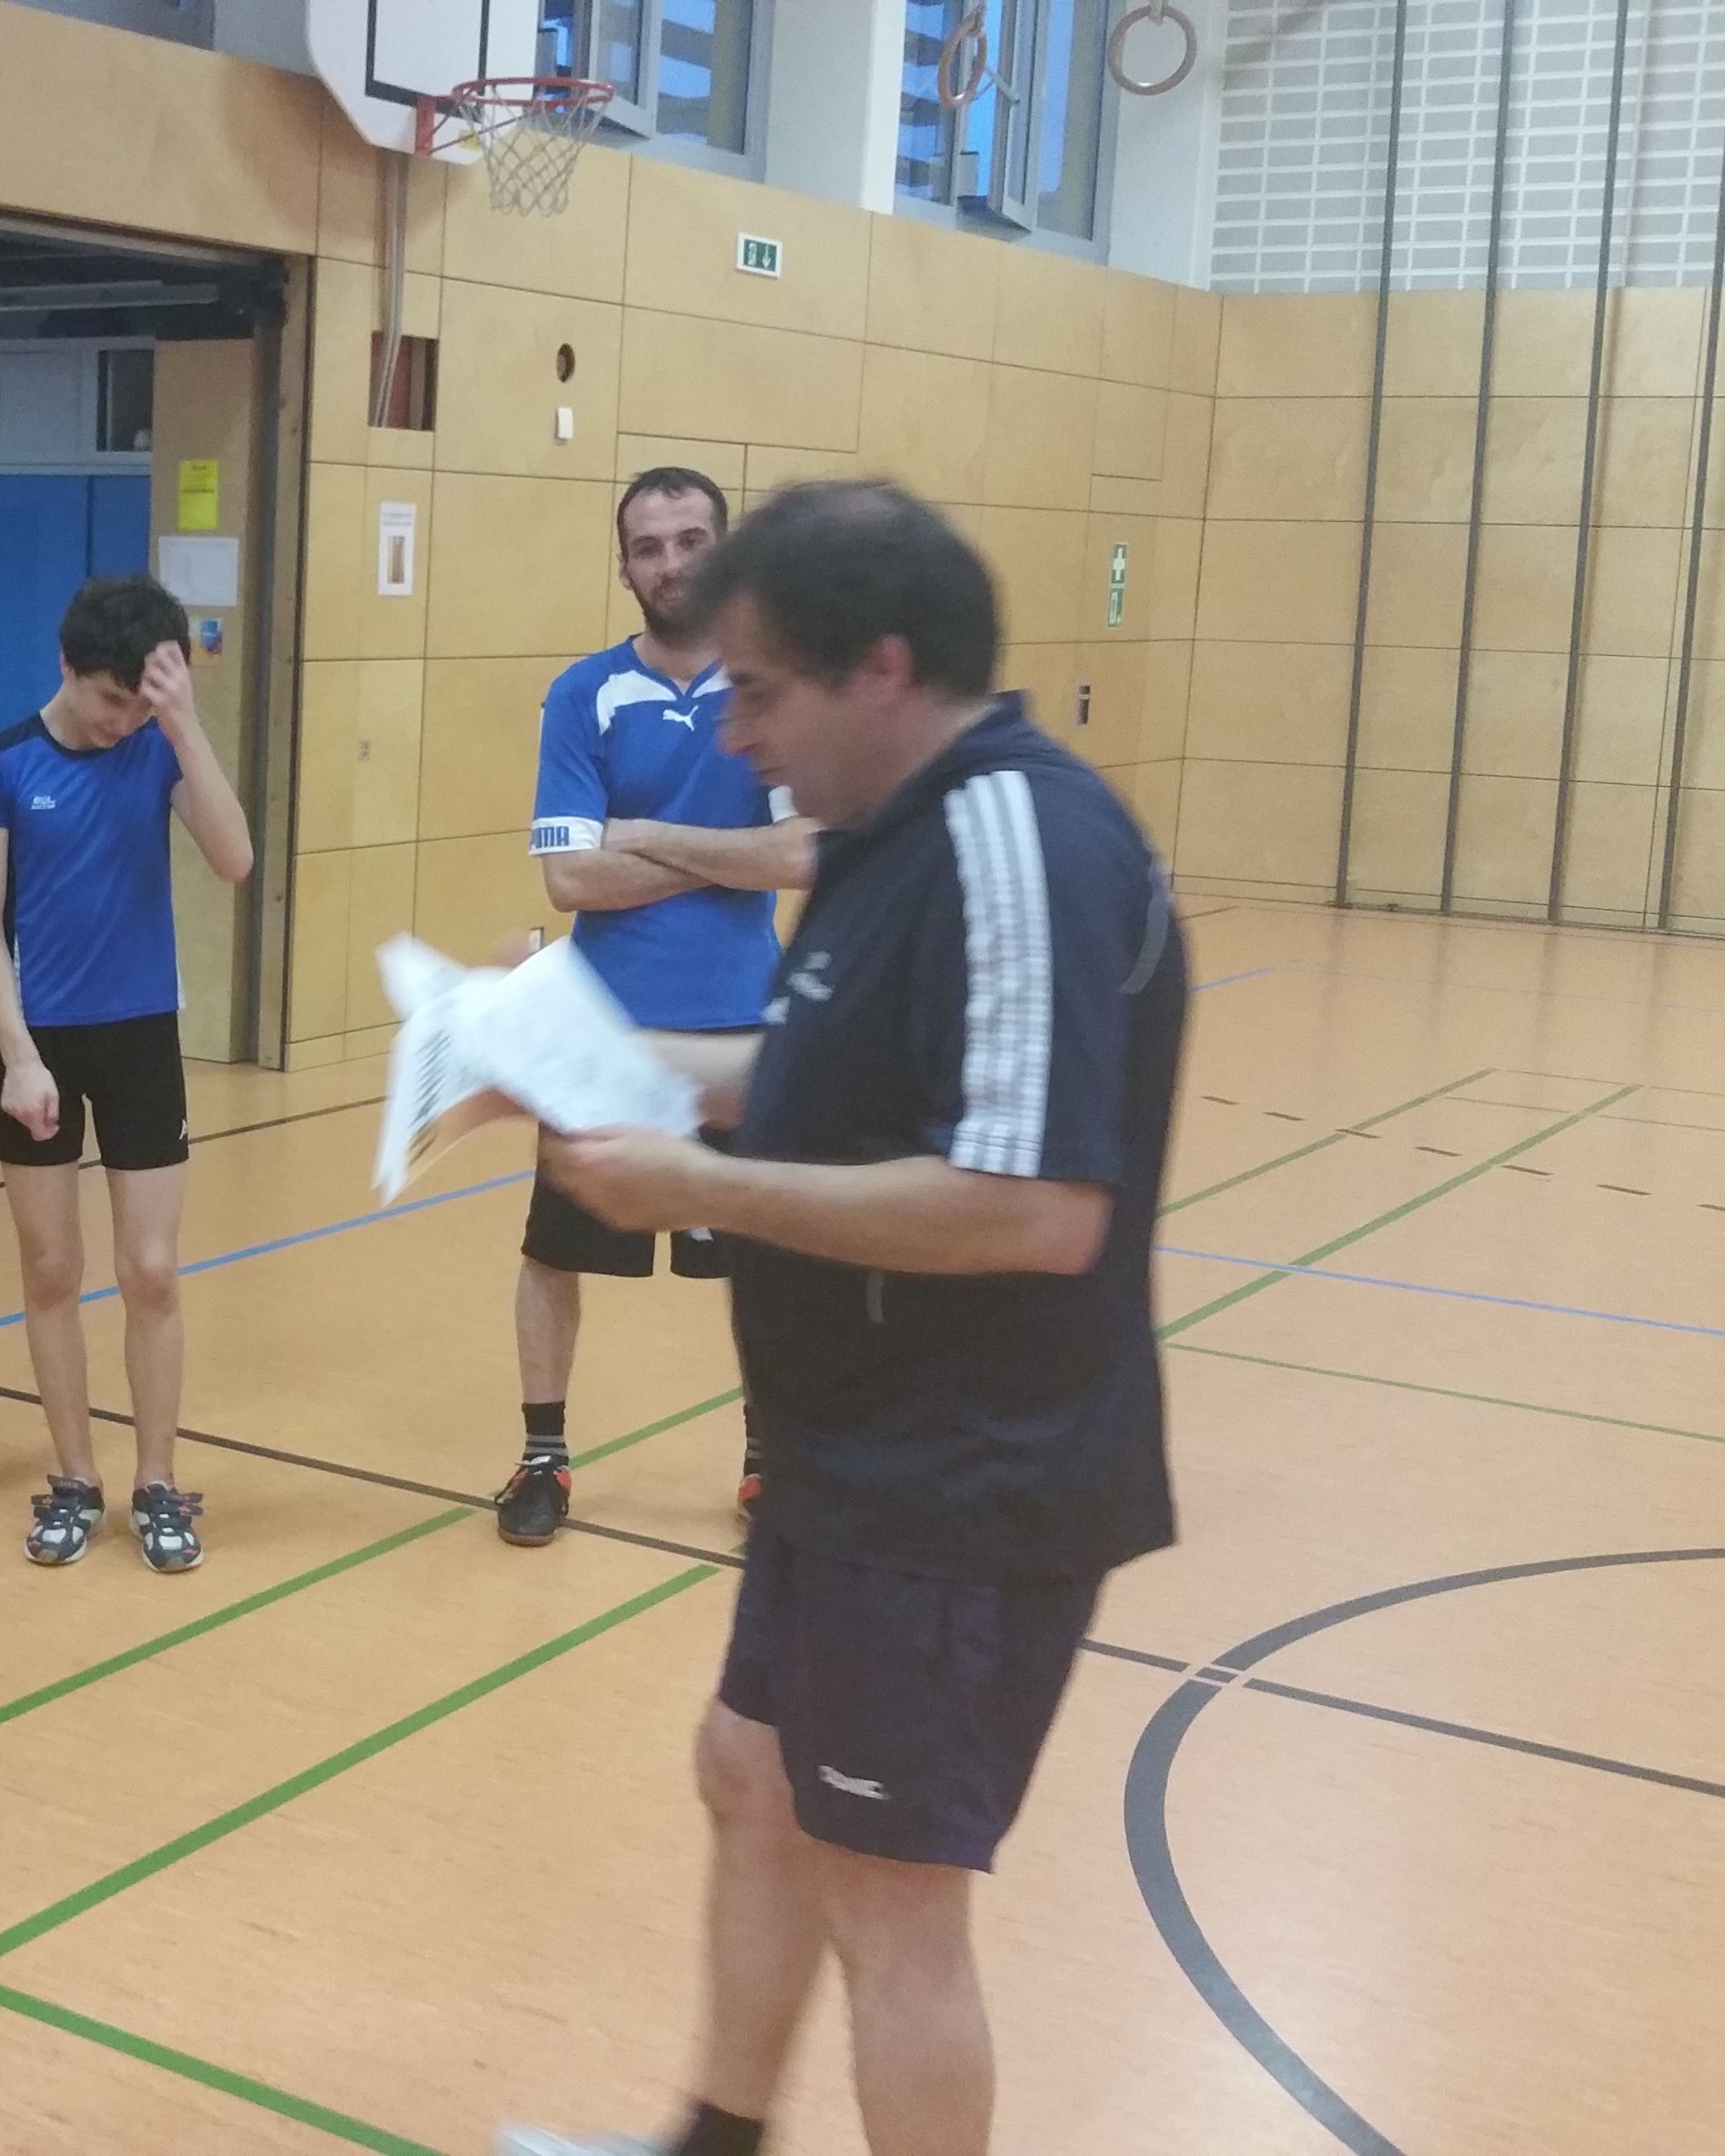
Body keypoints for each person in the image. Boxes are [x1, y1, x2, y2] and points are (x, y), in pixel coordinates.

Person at [496, 481, 1187, 2156]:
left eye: (757, 693)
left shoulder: (1017, 844)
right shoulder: (886, 834)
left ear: (879, 670)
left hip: (961, 1479)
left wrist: (706, 1191)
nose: (733, 737)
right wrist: (565, 1065)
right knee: (751, 1776)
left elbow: (1036, 1206)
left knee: (891, 1902)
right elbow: (805, 1076)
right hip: (849, 1459)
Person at [500, 468, 815, 1551]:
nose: (671, 563)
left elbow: (802, 854)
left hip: (743, 1028)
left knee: (763, 1254)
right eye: (648, 546)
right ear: (625, 565)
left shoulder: (769, 689)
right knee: (554, 1252)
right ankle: (543, 1458)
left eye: (690, 540)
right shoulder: (584, 695)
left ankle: (770, 1460)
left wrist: (643, 836)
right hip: (604, 1034)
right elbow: (569, 881)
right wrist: (727, 855)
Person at [0, 574, 256, 1574]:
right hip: (36, 1042)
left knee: (152, 1272)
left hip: (139, 1038)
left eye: (140, 702)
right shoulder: (5, 764)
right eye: (108, 700)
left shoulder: (159, 750)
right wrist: (19, 1056)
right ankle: (76, 1477)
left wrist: (184, 726)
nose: (121, 720)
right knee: (51, 1271)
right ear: (66, 667)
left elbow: (235, 859)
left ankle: (157, 1481)